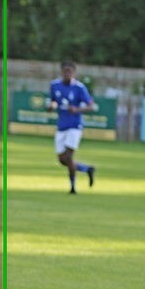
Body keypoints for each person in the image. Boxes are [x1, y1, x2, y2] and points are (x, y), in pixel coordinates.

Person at [48, 61, 96, 194]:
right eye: (65, 71)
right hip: (61, 126)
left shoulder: (79, 88)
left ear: (74, 73)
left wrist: (78, 109)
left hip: (75, 126)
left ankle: (73, 187)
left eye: (70, 71)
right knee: (62, 160)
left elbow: (91, 106)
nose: (67, 74)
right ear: (61, 72)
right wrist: (51, 106)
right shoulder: (55, 85)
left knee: (68, 156)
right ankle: (87, 169)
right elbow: (53, 100)